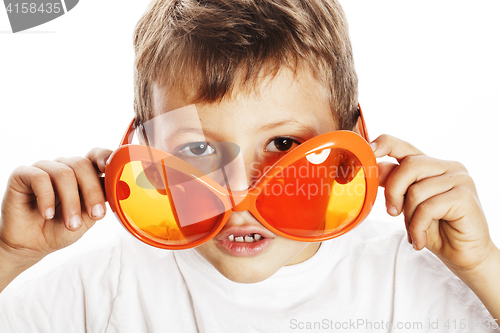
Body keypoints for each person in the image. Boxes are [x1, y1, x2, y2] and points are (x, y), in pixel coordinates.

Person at [0, 0, 499, 331]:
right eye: (197, 149)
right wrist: (10, 254)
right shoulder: (100, 291)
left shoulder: (404, 280)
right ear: (142, 153)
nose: (239, 193)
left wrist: (483, 266)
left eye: (283, 142)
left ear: (355, 143)